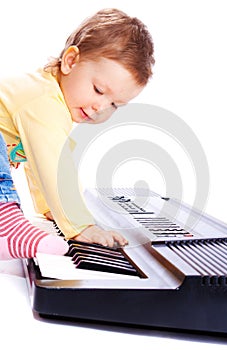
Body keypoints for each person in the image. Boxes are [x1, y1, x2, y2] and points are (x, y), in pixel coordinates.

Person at [0, 8, 155, 252]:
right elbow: (54, 165)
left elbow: (37, 162)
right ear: (71, 61)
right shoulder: (43, 101)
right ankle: (4, 223)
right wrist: (80, 226)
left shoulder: (50, 101)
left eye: (115, 104)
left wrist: (49, 208)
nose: (100, 107)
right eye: (99, 91)